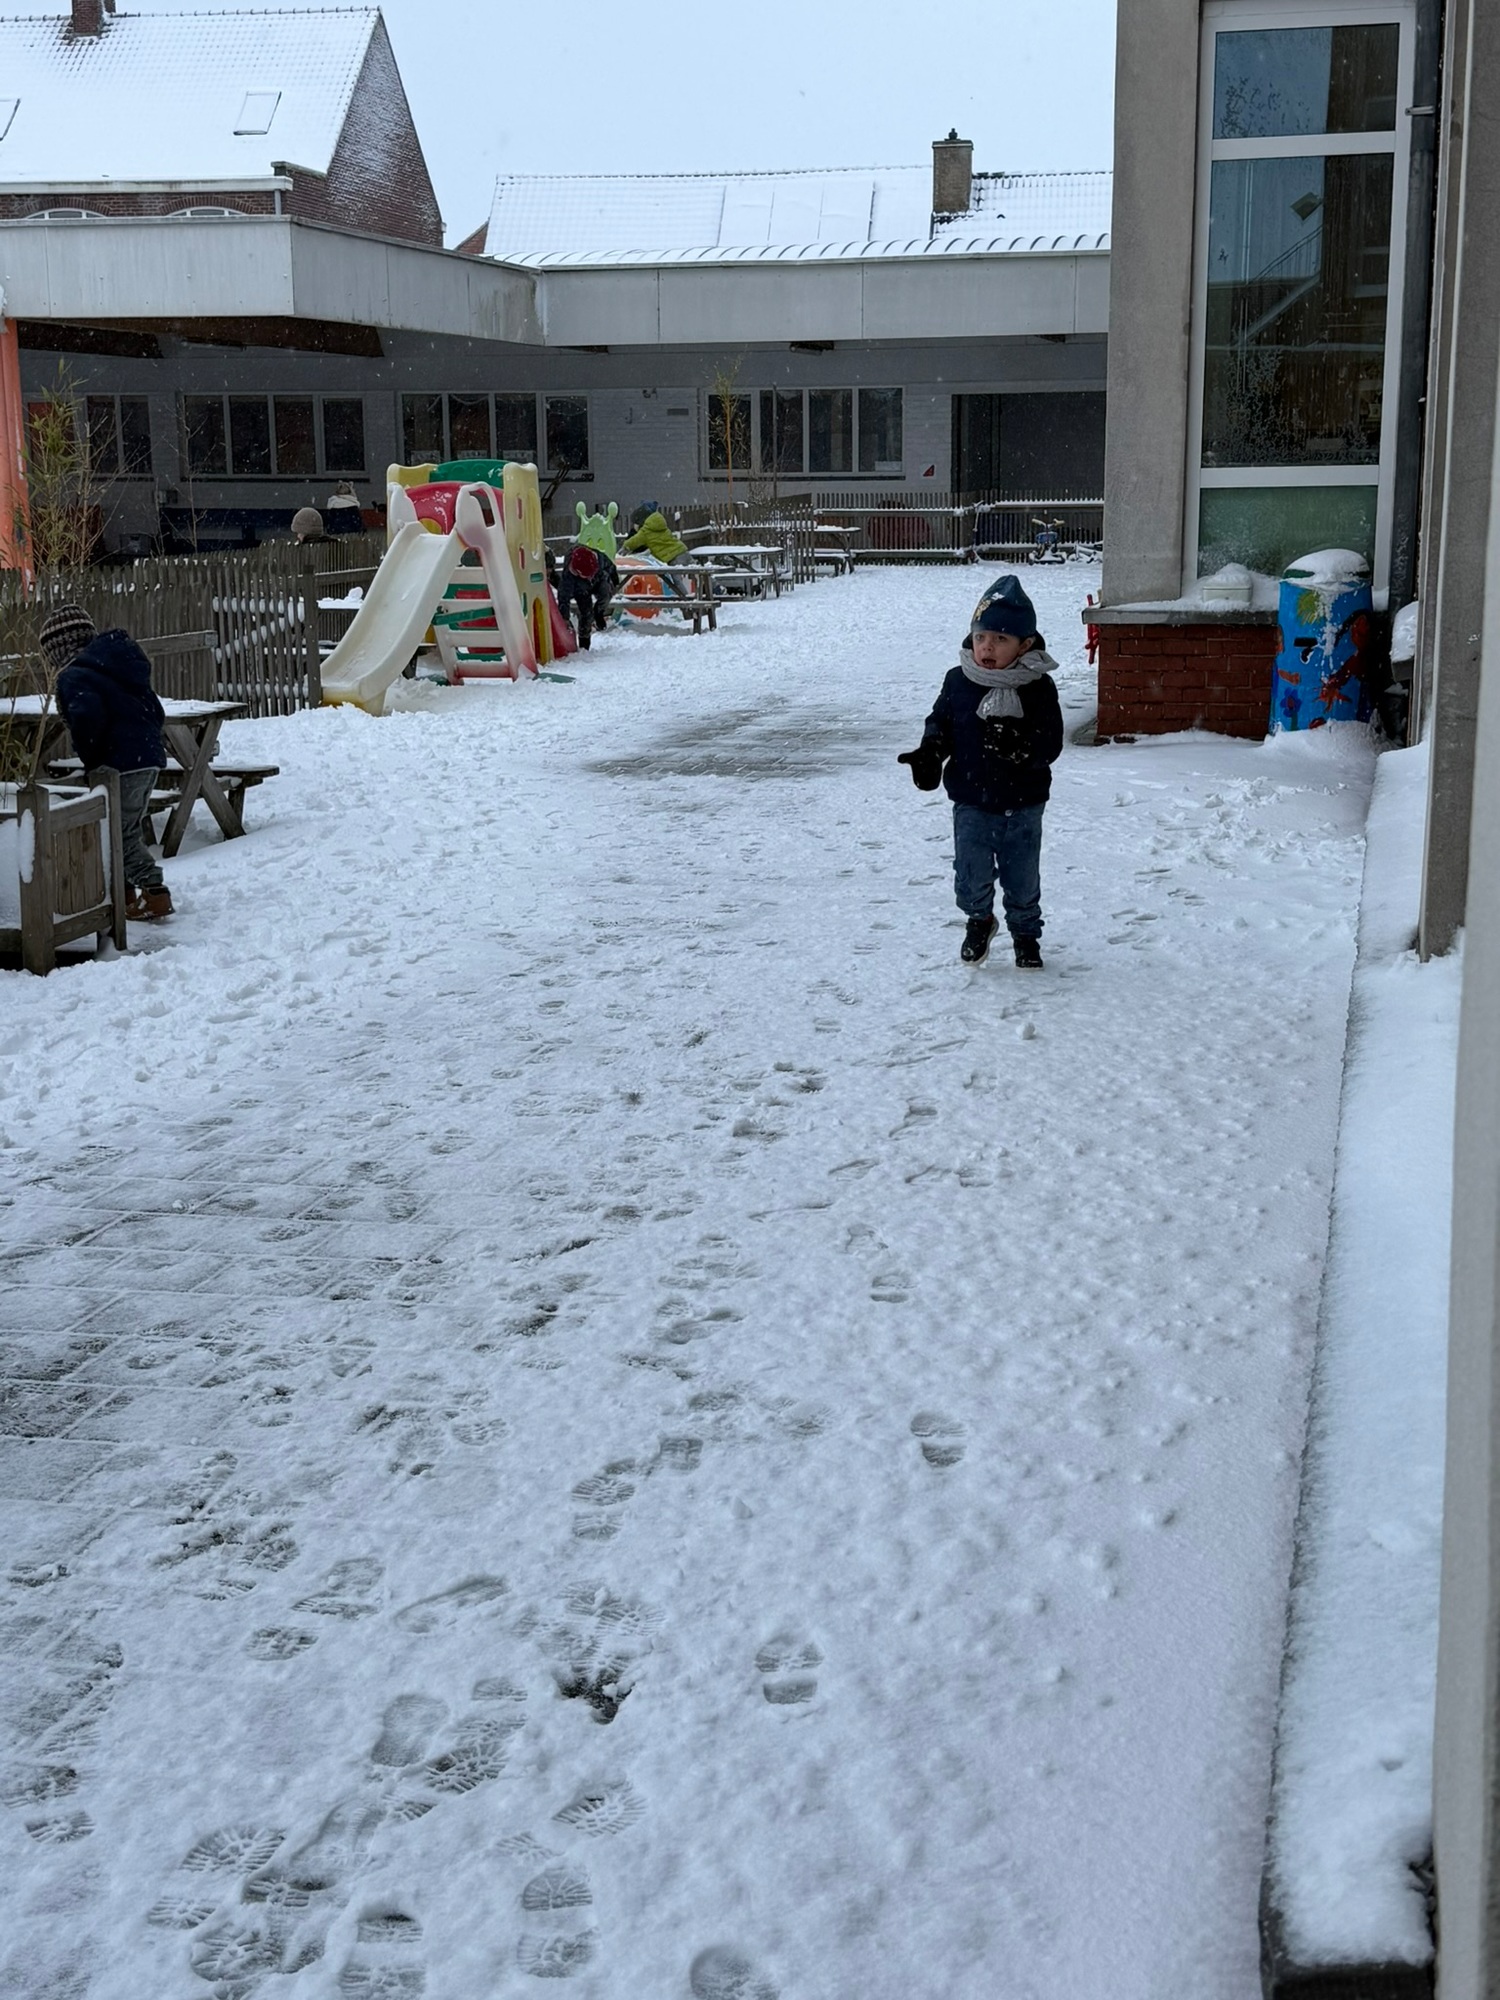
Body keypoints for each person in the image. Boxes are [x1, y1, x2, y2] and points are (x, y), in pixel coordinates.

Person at [898, 575, 1063, 969]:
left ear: (1025, 645)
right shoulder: (959, 681)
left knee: (1022, 880)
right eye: (981, 636)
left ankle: (1025, 935)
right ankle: (979, 919)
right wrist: (931, 752)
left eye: (1001, 639)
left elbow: (1051, 743)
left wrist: (1022, 748)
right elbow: (941, 723)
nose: (987, 646)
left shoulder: (1037, 687)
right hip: (971, 799)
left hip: (1024, 804)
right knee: (970, 876)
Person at [42, 604, 173, 922]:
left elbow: (86, 717)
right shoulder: (116, 666)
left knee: (117, 832)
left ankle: (154, 891)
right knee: (125, 826)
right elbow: (156, 711)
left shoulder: (75, 675)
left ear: (59, 651)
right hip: (146, 757)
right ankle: (123, 892)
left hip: (119, 762)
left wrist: (92, 757)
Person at [620, 500, 686, 565]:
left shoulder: (646, 532)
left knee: (677, 571)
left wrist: (624, 548)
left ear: (641, 522)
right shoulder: (658, 526)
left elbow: (633, 542)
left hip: (673, 558)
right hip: (682, 551)